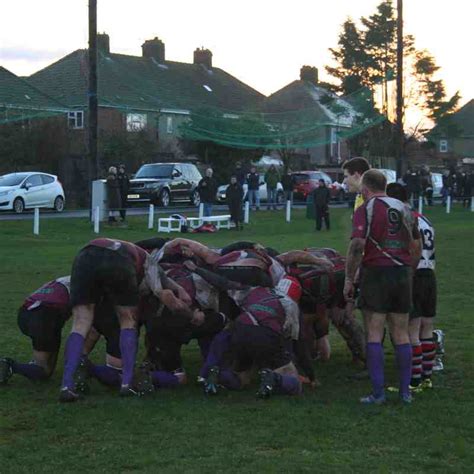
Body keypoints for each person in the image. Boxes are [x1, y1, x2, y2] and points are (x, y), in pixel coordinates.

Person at [59, 237, 191, 402]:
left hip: (85, 254)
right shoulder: (149, 262)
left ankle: (66, 384)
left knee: (80, 321)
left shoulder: (132, 248)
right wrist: (185, 302)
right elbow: (162, 289)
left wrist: (177, 288)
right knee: (128, 319)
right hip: (118, 260)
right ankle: (127, 383)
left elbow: (164, 280)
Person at [343, 170, 422, 404]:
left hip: (376, 272)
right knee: (401, 332)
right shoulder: (404, 207)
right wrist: (410, 269)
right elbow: (416, 244)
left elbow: (358, 244)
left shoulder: (365, 209)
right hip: (402, 273)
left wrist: (349, 277)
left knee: (374, 331)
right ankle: (405, 393)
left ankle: (378, 393)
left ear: (365, 189)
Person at [386, 183, 438, 392]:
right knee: (427, 326)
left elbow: (408, 248)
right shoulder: (424, 218)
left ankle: (413, 381)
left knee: (411, 330)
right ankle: (427, 376)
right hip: (429, 274)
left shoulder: (404, 219)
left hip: (414, 274)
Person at [0, 277, 72, 384]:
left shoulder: (68, 278)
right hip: (44, 317)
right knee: (43, 371)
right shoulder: (91, 284)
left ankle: (31, 365)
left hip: (27, 312)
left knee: (48, 370)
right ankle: (9, 365)